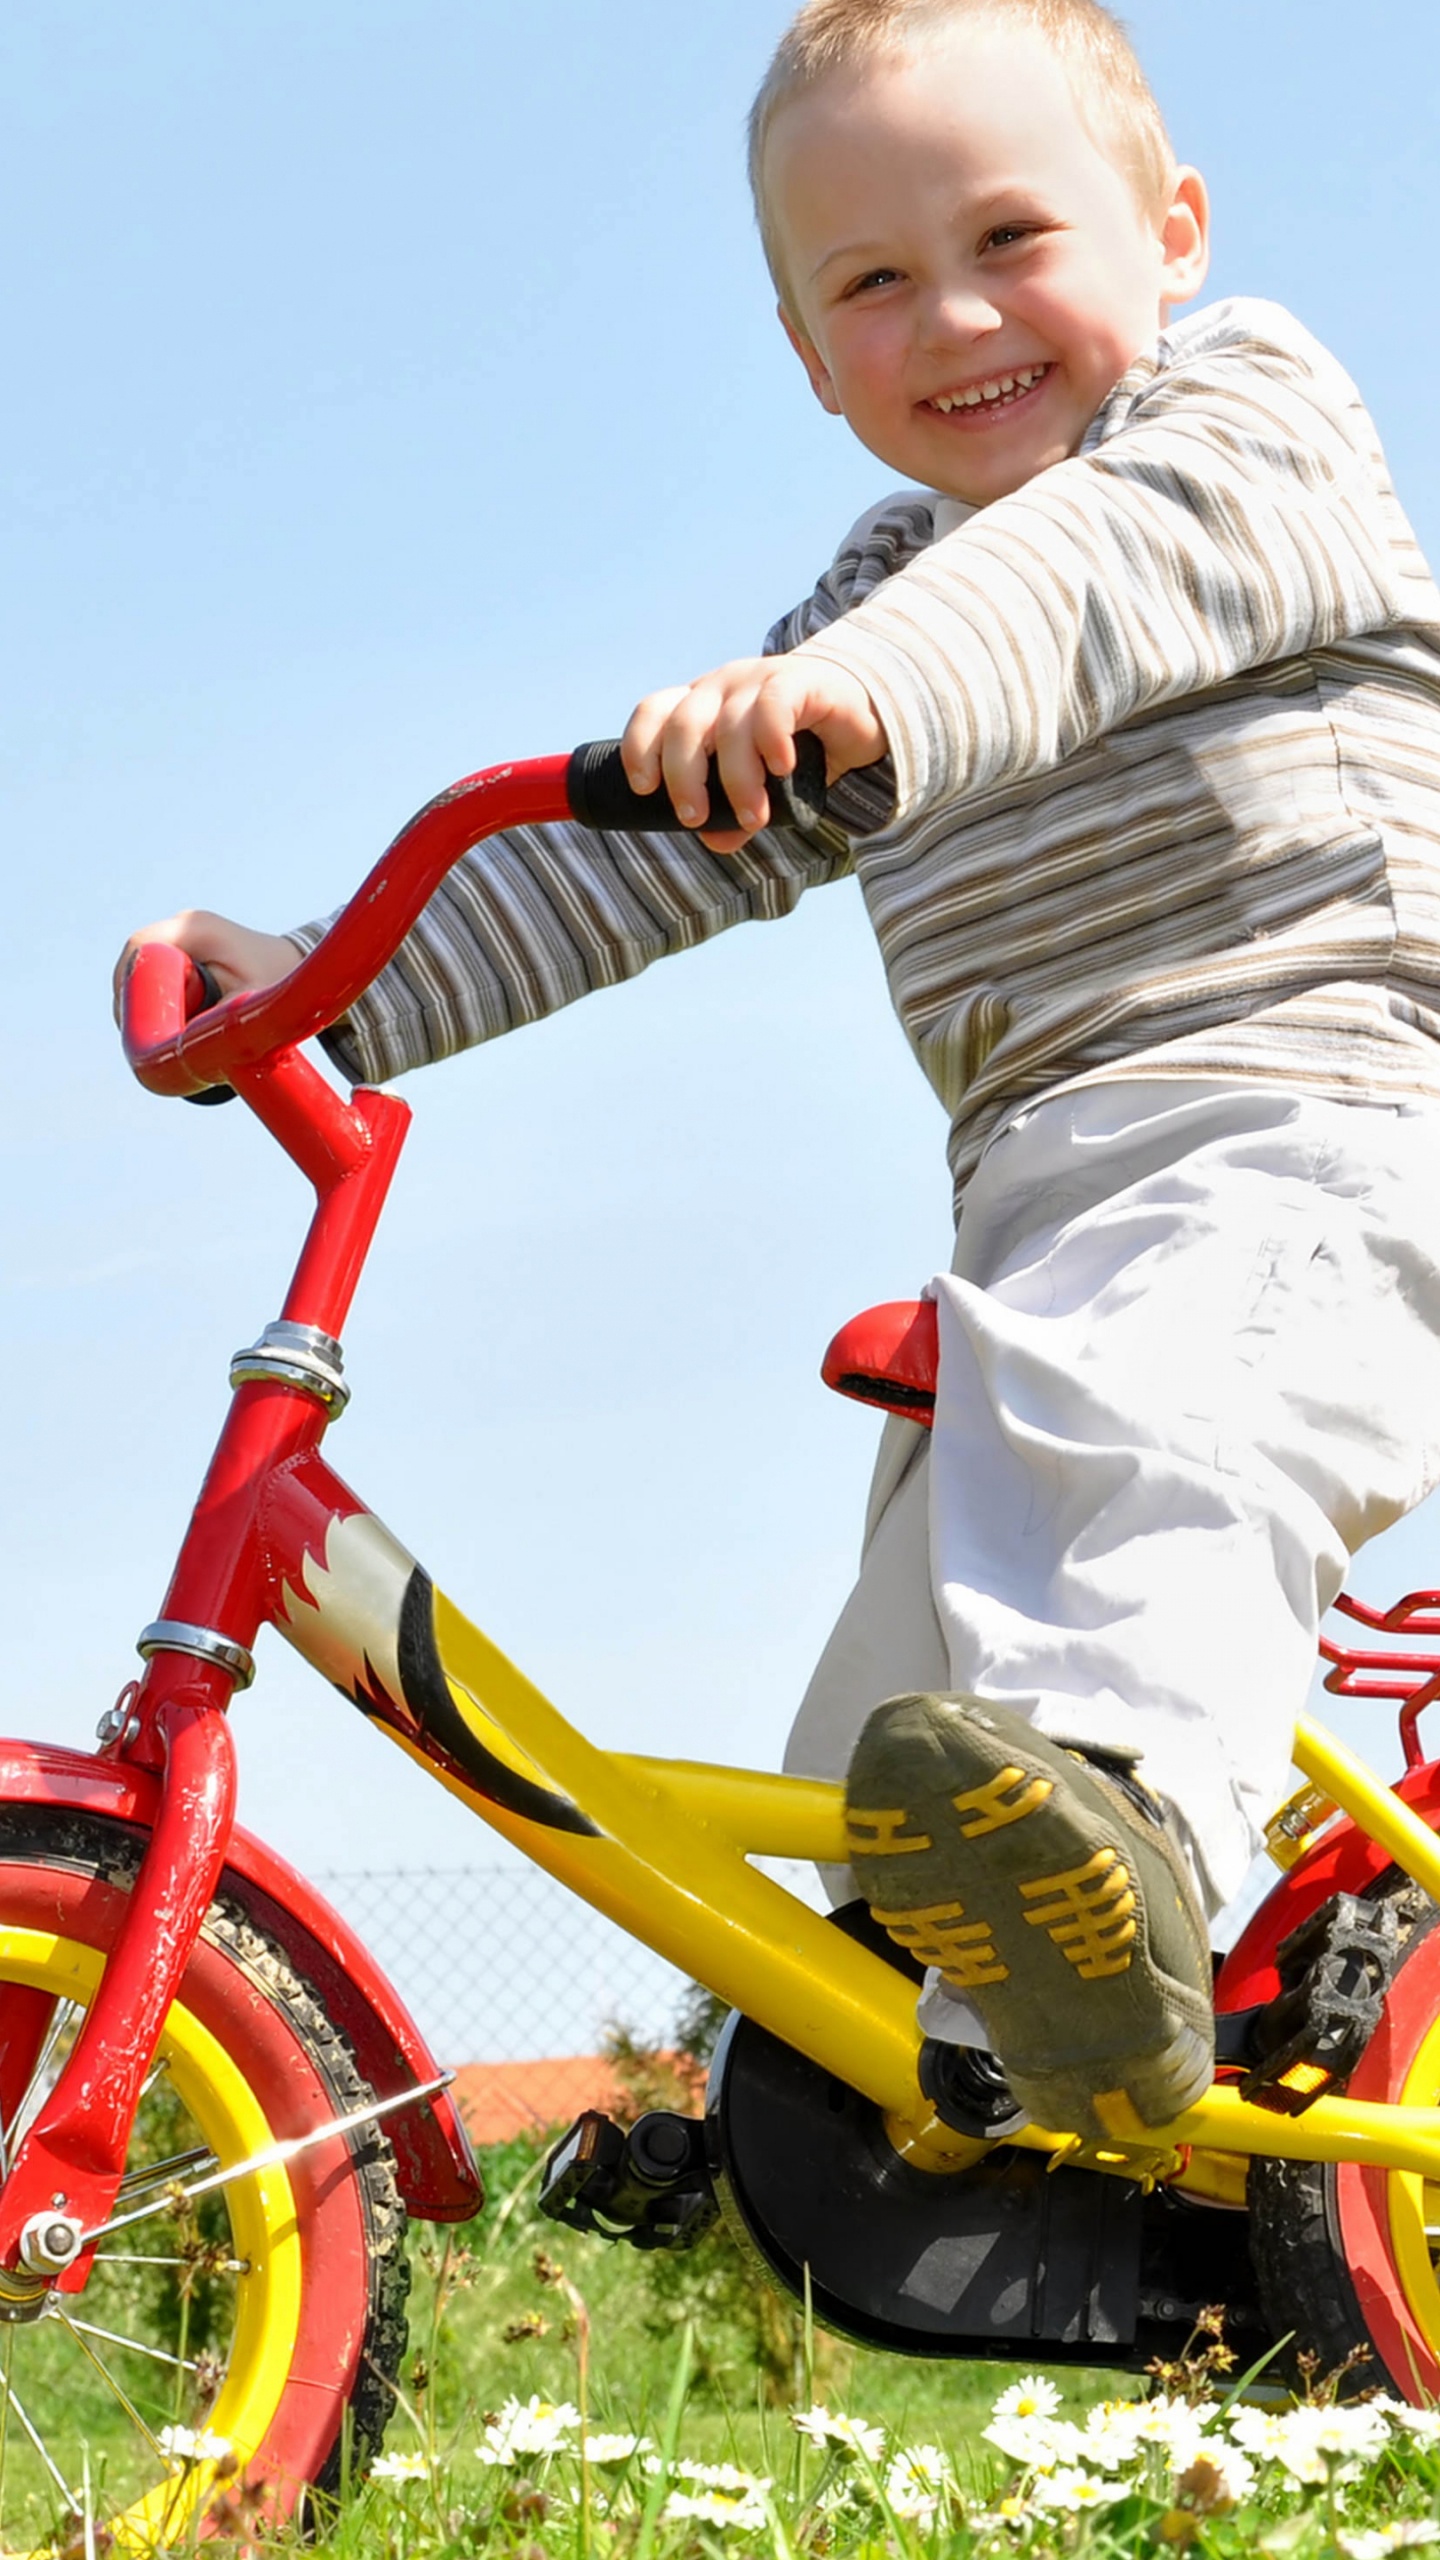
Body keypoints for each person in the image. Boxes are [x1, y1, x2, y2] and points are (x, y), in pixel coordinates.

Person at [116, 0, 1440, 2145]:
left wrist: (842, 691)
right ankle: (893, 2103)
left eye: (1014, 234)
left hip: (1315, 1097)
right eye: (874, 284)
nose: (958, 312)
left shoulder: (1251, 420)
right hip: (1043, 1188)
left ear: (1171, 229)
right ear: (812, 359)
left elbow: (1073, 600)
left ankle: (1132, 1871)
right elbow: (626, 876)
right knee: (908, 1734)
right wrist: (329, 983)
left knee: (1143, 1473)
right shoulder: (876, 595)